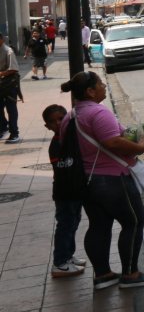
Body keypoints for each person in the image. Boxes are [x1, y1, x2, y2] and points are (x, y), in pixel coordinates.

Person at [60, 71, 144, 290]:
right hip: (111, 179)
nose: (104, 87)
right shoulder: (98, 112)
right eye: (101, 84)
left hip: (86, 181)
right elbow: (113, 143)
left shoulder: (71, 116)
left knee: (98, 225)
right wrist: (140, 148)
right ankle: (130, 275)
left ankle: (103, 275)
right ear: (90, 91)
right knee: (133, 221)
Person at [42, 104, 87, 278]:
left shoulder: (69, 138)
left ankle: (68, 256)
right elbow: (63, 169)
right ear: (47, 127)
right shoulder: (57, 144)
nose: (58, 123)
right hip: (64, 193)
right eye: (53, 122)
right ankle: (60, 262)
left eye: (61, 119)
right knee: (65, 226)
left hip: (74, 192)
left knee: (73, 224)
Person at [0, 33, 22, 144]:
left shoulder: (8, 51)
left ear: (1, 40)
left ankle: (14, 133)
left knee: (11, 109)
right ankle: (3, 127)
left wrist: (1, 73)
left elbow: (13, 69)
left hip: (9, 84)